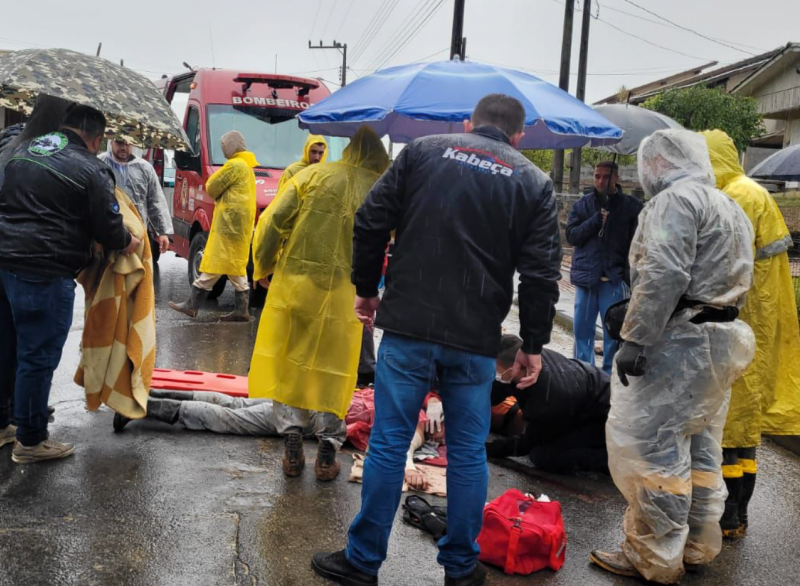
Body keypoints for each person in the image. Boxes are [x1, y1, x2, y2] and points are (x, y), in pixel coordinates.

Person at [312, 94, 561, 586]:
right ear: (519, 136)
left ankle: (363, 563)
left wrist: (367, 289)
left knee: (388, 443)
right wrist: (533, 343)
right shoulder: (533, 182)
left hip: (408, 327)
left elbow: (370, 221)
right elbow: (540, 274)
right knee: (468, 453)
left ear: (469, 123)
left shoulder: (424, 151)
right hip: (474, 339)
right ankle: (461, 570)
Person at [589, 129, 755, 584]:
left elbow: (664, 272)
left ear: (659, 163)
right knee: (701, 445)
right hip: (718, 342)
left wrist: (636, 338)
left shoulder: (674, 203)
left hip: (678, 340)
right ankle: (698, 544)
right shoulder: (727, 204)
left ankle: (653, 556)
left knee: (654, 449)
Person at [0, 95, 141, 465]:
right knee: (37, 354)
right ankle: (31, 440)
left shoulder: (25, 148)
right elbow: (109, 227)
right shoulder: (90, 167)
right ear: (96, 138)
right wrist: (129, 241)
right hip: (41, 269)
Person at [248, 126, 391, 482]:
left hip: (297, 286)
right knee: (337, 370)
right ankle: (328, 450)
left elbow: (272, 223)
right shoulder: (381, 189)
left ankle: (293, 439)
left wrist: (263, 266)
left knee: (291, 365)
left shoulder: (311, 175)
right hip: (347, 295)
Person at [702, 129, 800, 539]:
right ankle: (738, 516)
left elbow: (726, 263)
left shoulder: (738, 197)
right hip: (760, 318)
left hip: (744, 322)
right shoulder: (753, 191)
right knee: (744, 428)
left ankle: (729, 516)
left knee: (732, 423)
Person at [112, 389, 441, 491]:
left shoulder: (403, 394)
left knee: (234, 405)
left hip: (303, 393)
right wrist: (409, 466)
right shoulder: (418, 415)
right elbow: (407, 443)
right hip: (311, 416)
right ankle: (145, 406)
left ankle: (152, 396)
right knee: (230, 417)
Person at [487, 334, 610, 473]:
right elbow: (498, 390)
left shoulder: (546, 400)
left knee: (543, 456)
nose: (492, 372)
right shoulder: (528, 358)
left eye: (495, 368)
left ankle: (608, 460)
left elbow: (526, 443)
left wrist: (489, 449)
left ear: (514, 368)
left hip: (601, 417)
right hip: (581, 396)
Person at [169, 131, 257, 321]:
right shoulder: (247, 167)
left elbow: (211, 186)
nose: (223, 148)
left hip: (228, 226)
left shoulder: (234, 165)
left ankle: (192, 305)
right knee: (234, 266)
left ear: (232, 146)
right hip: (240, 228)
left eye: (224, 145)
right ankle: (241, 310)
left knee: (215, 261)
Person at [565, 160, 643, 374]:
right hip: (587, 280)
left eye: (605, 176)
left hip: (614, 281)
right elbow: (572, 236)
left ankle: (609, 378)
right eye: (597, 176)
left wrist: (628, 278)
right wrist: (595, 221)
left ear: (616, 178)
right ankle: (583, 374)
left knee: (614, 334)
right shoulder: (583, 205)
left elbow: (638, 244)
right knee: (582, 332)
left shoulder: (632, 207)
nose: (600, 180)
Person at [98, 138, 174, 265]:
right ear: (111, 142)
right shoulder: (99, 164)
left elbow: (155, 201)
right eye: (119, 142)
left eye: (128, 143)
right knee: (107, 279)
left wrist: (162, 232)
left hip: (137, 233)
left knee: (136, 276)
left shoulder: (144, 168)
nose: (124, 147)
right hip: (107, 232)